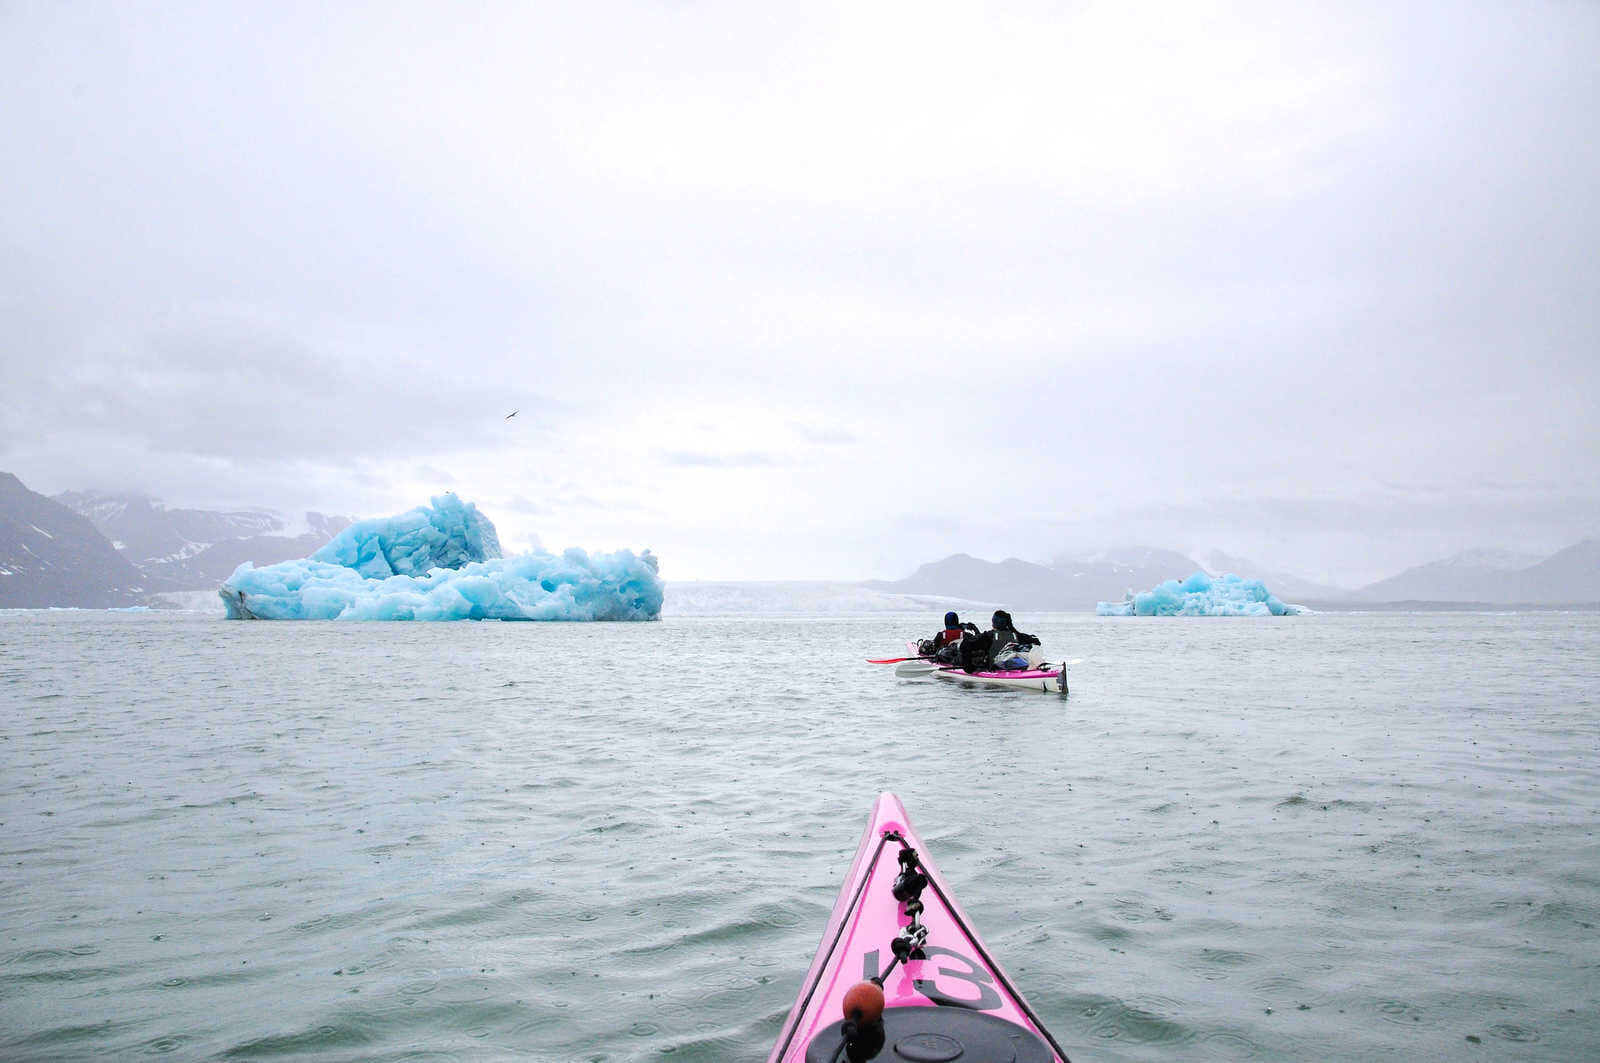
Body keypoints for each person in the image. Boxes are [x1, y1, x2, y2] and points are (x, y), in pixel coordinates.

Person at [961, 609, 1041, 671]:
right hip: (1016, 666)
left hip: (995, 669)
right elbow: (1037, 642)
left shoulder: (988, 636)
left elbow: (965, 644)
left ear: (994, 623)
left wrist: (968, 667)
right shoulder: (1016, 635)